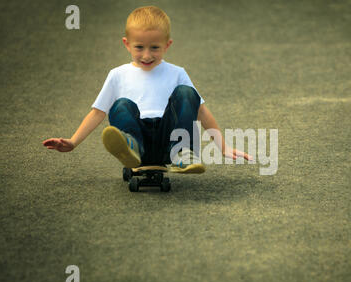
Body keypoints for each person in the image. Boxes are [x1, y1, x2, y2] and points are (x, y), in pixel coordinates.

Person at [43, 6, 251, 173]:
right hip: (136, 138)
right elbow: (98, 112)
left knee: (188, 94)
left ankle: (182, 152)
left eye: (155, 47)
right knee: (121, 105)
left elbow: (201, 109)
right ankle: (130, 146)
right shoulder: (117, 74)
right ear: (127, 44)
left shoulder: (177, 73)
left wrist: (222, 147)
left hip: (169, 137)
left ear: (167, 45)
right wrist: (73, 142)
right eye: (139, 47)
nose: (146, 55)